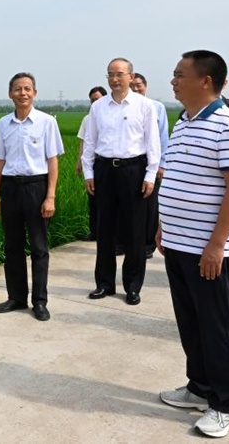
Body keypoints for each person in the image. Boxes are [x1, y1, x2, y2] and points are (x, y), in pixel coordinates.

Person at [157, 49, 229, 438]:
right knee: (190, 322)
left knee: (215, 327)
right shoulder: (184, 122)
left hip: (206, 250)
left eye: (180, 74)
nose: (174, 81)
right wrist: (164, 226)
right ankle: (198, 387)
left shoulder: (228, 126)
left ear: (205, 81)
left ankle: (225, 405)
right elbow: (177, 178)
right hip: (177, 243)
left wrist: (216, 245)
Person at [81, 58, 161, 305]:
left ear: (130, 76)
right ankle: (104, 284)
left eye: (119, 74)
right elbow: (91, 143)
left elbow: (153, 145)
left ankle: (133, 286)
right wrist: (88, 173)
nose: (114, 79)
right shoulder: (98, 107)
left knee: (135, 231)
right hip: (105, 169)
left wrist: (149, 175)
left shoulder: (145, 106)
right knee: (104, 230)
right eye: (110, 75)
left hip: (133, 170)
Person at [0, 73, 65, 321]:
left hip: (36, 187)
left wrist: (50, 196)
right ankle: (16, 297)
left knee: (40, 247)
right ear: (10, 93)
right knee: (13, 246)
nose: (23, 93)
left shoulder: (46, 122)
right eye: (18, 89)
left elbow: (52, 161)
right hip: (10, 188)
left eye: (28, 89)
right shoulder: (2, 124)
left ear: (34, 93)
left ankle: (39, 301)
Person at [131, 73, 169, 259]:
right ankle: (127, 241)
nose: (136, 89)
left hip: (151, 164)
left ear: (145, 86)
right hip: (132, 164)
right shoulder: (126, 108)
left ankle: (148, 243)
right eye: (132, 86)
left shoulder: (157, 107)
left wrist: (161, 164)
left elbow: (163, 137)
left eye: (139, 85)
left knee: (150, 205)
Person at [76, 86, 107, 241]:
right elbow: (84, 142)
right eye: (92, 100)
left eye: (98, 99)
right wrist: (80, 162)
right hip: (92, 164)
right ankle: (94, 231)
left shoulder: (110, 115)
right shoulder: (87, 119)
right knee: (93, 198)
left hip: (106, 164)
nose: (95, 102)